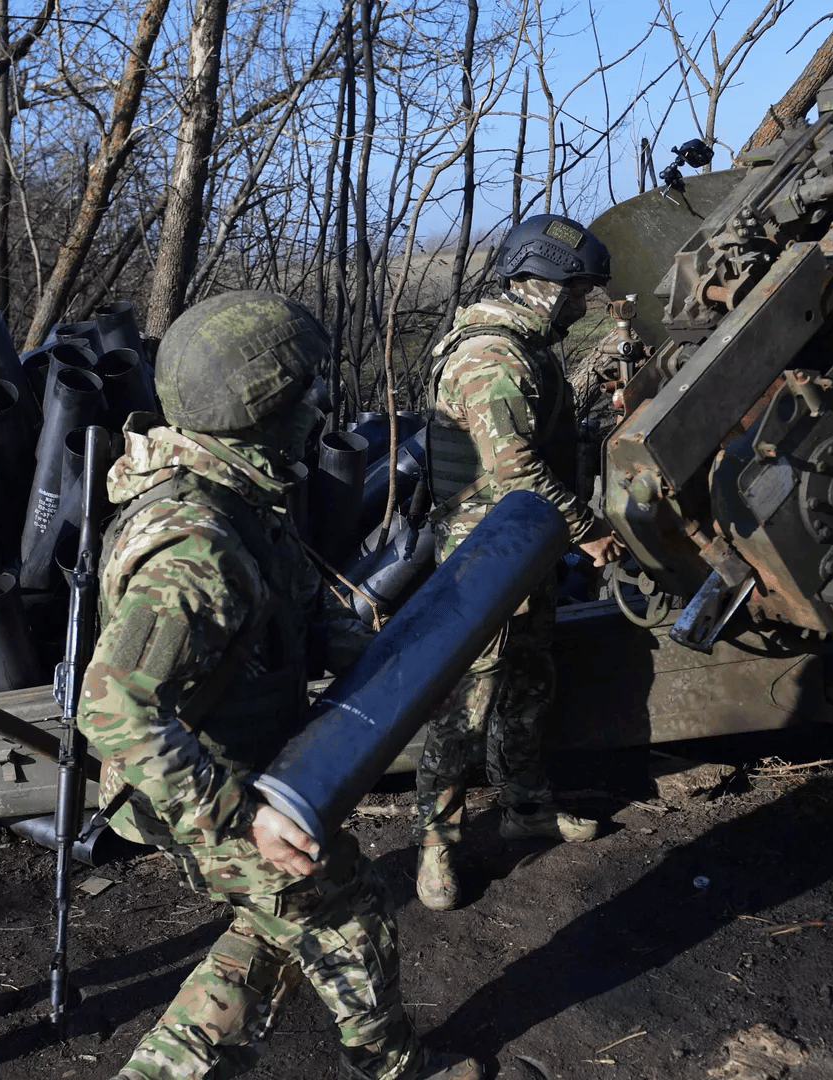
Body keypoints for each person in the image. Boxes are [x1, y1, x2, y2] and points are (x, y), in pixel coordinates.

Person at [80, 291, 477, 1080]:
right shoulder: (197, 545)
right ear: (262, 408)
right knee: (343, 905)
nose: (322, 406)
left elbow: (285, 616)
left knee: (278, 922)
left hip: (235, 766)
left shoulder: (238, 493)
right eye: (307, 393)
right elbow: (114, 706)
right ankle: (395, 1067)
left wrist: (387, 649)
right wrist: (244, 819)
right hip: (203, 789)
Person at [413, 214, 627, 912]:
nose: (581, 305)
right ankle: (436, 844)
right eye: (577, 292)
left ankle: (524, 803)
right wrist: (588, 530)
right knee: (464, 699)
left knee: (531, 676)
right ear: (543, 282)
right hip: (485, 555)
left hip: (521, 545)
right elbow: (516, 472)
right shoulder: (493, 357)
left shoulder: (526, 345)